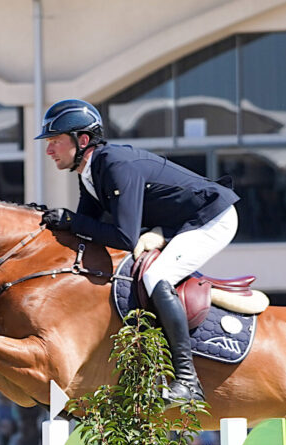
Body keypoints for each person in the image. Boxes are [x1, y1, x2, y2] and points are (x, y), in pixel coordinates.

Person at [36, 98, 240, 404]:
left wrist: (71, 220)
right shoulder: (90, 172)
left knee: (157, 276)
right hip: (174, 223)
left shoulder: (116, 165)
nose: (49, 150)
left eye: (54, 141)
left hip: (212, 218)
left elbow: (123, 236)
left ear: (83, 140)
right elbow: (85, 228)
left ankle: (188, 381)